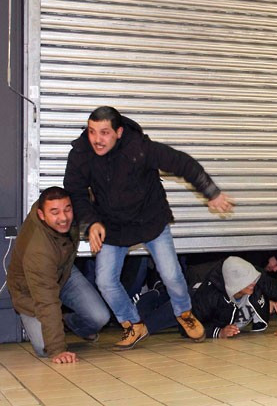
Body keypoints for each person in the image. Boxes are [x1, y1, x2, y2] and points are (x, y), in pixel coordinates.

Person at [63, 106, 234, 350]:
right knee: (105, 280)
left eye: (104, 133)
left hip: (149, 219)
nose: (97, 140)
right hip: (112, 224)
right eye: (92, 132)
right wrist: (91, 222)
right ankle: (132, 324)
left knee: (172, 275)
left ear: (119, 132)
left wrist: (211, 192)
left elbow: (182, 163)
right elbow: (75, 192)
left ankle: (184, 313)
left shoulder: (140, 148)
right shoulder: (81, 153)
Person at [7, 187, 110, 363]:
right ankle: (55, 326)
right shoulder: (38, 249)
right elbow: (46, 301)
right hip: (31, 290)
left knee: (100, 317)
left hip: (64, 273)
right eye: (54, 212)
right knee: (44, 349)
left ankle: (67, 322)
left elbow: (98, 194)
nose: (63, 218)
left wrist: (95, 223)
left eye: (67, 209)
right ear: (41, 215)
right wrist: (58, 350)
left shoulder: (74, 208)